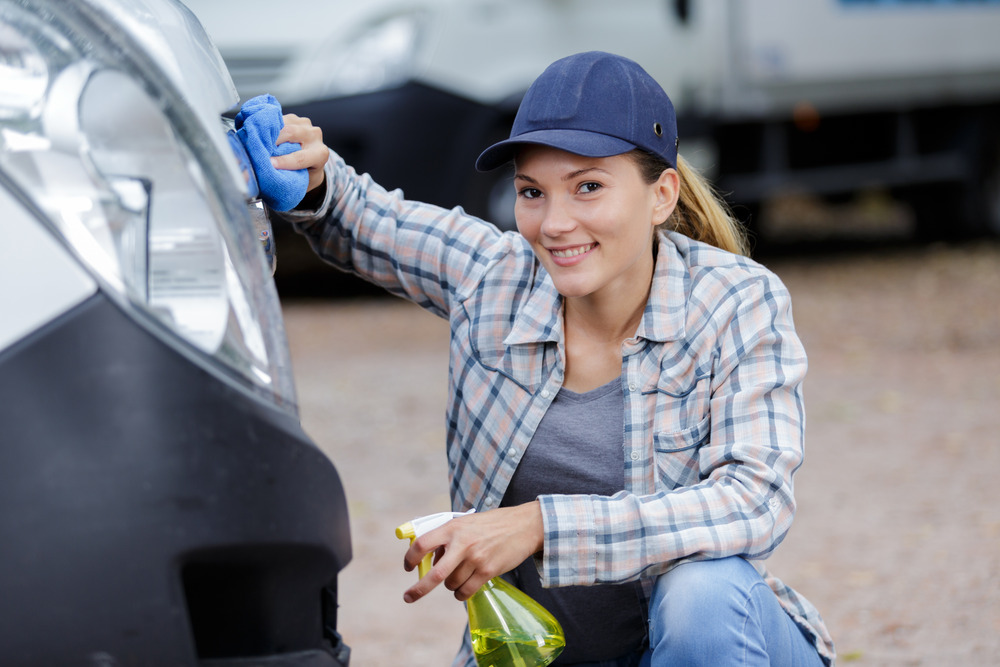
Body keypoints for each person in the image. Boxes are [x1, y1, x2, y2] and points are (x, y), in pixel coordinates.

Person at [261, 51, 835, 666]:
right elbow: (362, 219)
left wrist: (540, 525)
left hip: (713, 646)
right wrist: (312, 173)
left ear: (662, 194)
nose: (554, 223)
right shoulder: (496, 278)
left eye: (588, 187)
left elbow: (753, 500)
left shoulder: (736, 300)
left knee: (704, 594)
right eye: (532, 192)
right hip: (544, 657)